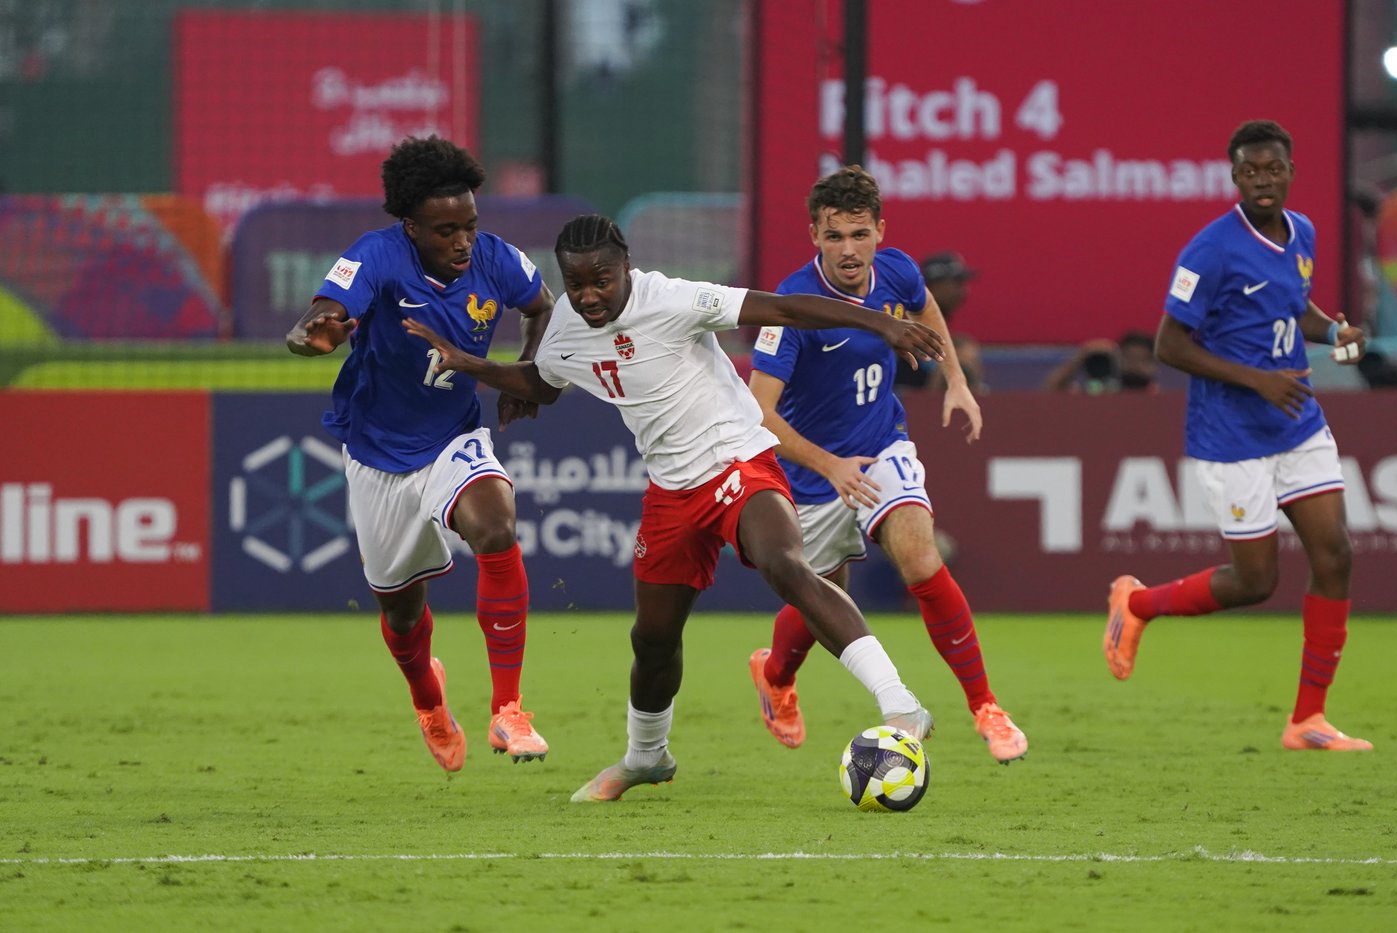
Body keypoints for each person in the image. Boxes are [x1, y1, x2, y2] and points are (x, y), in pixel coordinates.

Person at [402, 213, 945, 802]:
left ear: (626, 267)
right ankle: (646, 757)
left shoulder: (674, 299)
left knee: (786, 566)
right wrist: (479, 368)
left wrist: (881, 324)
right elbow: (544, 382)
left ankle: (900, 704)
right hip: (670, 491)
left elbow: (784, 309)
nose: (589, 296)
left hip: (738, 460)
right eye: (576, 284)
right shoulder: (564, 329)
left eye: (601, 281)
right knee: (653, 637)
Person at [285, 135, 553, 772]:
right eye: (445, 231)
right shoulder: (376, 254)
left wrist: (526, 371)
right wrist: (314, 333)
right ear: (411, 226)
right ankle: (429, 701)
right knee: (403, 616)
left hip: (454, 438)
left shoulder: (497, 259)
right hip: (377, 453)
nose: (463, 242)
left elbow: (542, 307)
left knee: (496, 525)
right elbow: (321, 315)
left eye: (470, 226)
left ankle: (509, 710)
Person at [1104, 119, 1372, 751]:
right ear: (1235, 176)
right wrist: (1257, 381)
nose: (1262, 180)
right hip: (1231, 434)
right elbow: (1170, 345)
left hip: (1297, 422)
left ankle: (1307, 720)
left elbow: (1293, 305)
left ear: (1290, 172)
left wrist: (1332, 332)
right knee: (1255, 582)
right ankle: (1137, 606)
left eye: (1273, 169)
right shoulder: (1210, 250)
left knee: (1335, 555)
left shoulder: (1302, 232)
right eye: (1250, 171)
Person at [745, 164, 1027, 764]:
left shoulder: (897, 269)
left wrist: (956, 380)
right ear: (814, 236)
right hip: (813, 476)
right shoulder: (791, 307)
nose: (848, 250)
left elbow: (926, 310)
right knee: (821, 598)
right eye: (834, 236)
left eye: (859, 234)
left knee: (921, 558)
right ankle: (774, 675)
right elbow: (758, 413)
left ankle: (986, 707)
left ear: (879, 231)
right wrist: (830, 466)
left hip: (882, 446)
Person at [895, 251, 977, 391]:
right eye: (957, 282)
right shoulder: (905, 331)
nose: (964, 290)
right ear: (933, 286)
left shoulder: (951, 339)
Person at [1042, 331, 1159, 393]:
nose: (1135, 365)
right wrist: (1083, 354)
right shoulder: (1100, 391)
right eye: (1130, 359)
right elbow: (1053, 388)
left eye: (1142, 360)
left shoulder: (1154, 395)